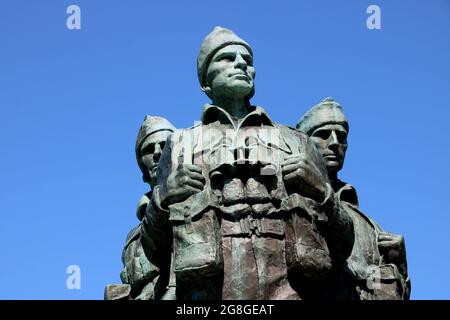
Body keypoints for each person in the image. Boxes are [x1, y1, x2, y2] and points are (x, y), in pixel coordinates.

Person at [141, 27, 354, 300]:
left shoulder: (297, 141)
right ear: (205, 81)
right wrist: (162, 201)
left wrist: (323, 194)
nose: (241, 63)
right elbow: (155, 252)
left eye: (247, 60)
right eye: (227, 58)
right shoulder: (180, 145)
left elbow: (343, 245)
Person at [297, 97, 410, 299]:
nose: (334, 143)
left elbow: (376, 289)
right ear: (302, 141)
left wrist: (399, 265)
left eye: (341, 137)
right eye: (322, 134)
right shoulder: (291, 199)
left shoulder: (369, 227)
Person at [105, 116, 176, 300]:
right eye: (149, 149)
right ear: (142, 168)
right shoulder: (132, 238)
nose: (158, 153)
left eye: (164, 144)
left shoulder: (193, 200)